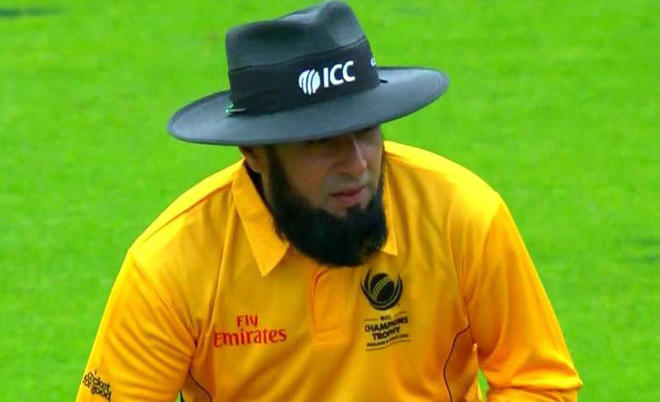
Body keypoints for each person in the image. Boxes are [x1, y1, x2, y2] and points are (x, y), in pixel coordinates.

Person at [77, 2, 582, 401]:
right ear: (254, 151)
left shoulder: (462, 215)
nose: (357, 164)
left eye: (366, 130)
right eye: (321, 141)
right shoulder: (170, 266)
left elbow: (539, 382)